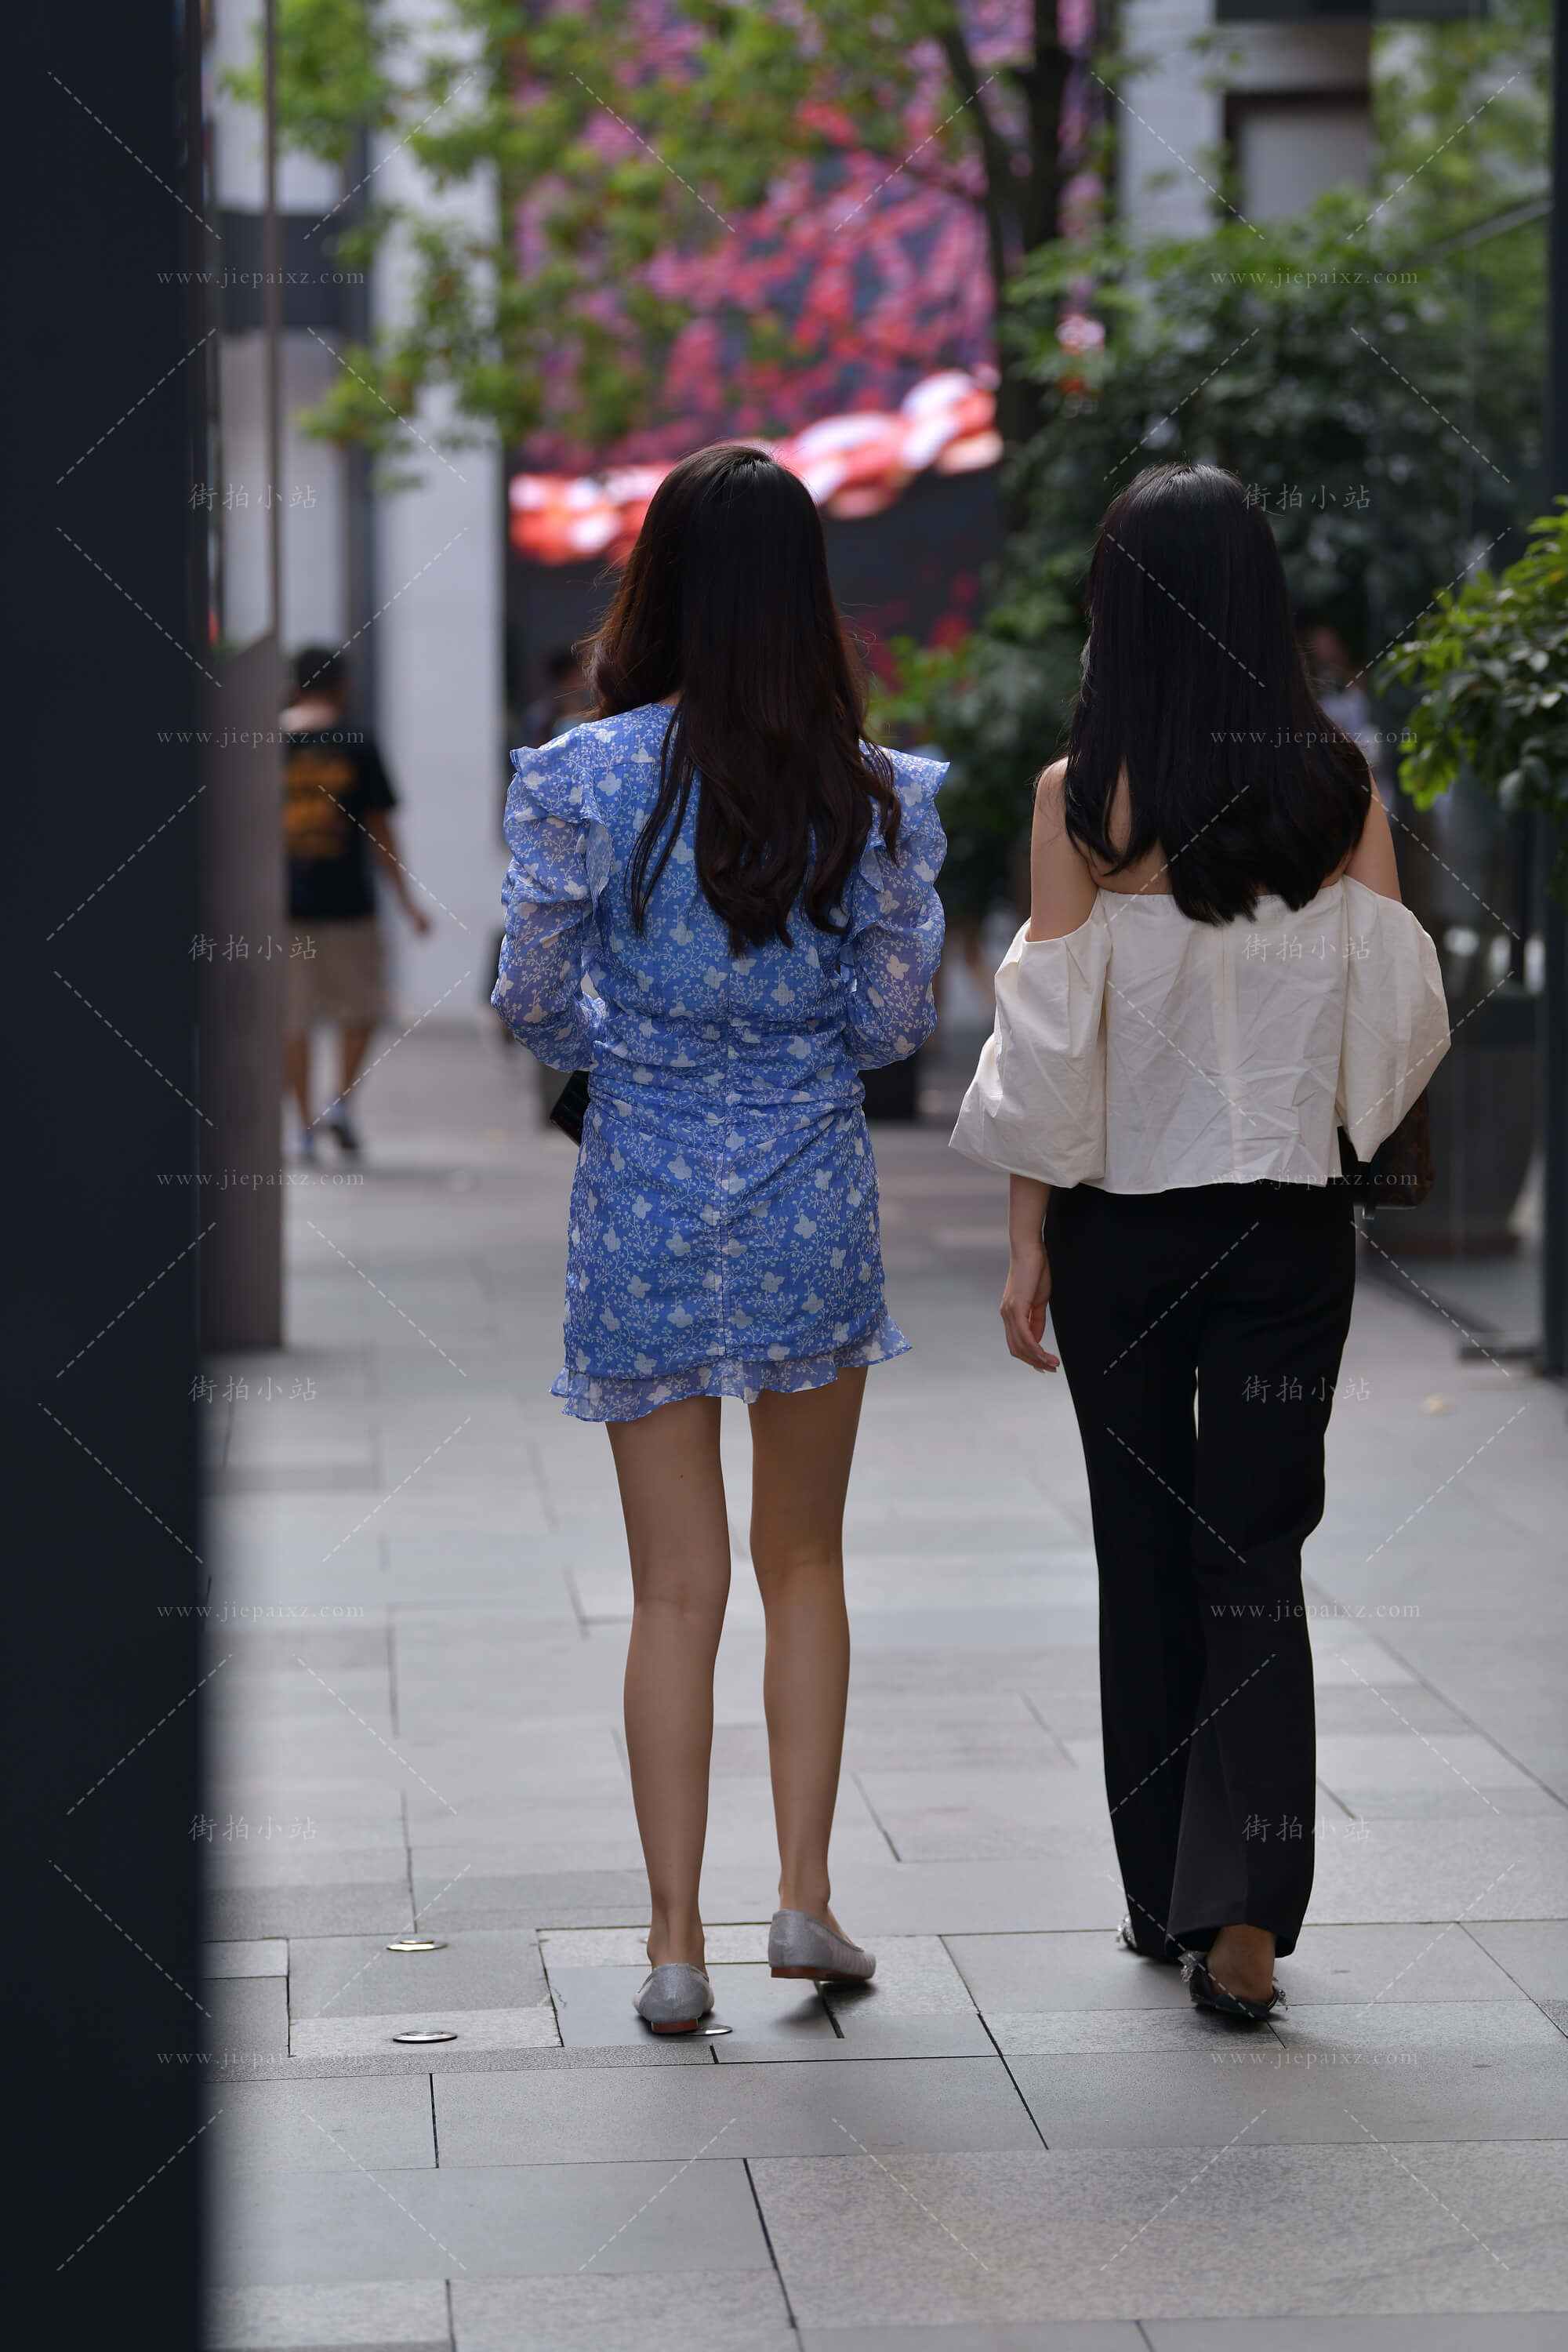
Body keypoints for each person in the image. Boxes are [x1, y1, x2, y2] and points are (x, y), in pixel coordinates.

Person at [952, 463, 1449, 2021]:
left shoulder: (1080, 802)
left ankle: (1161, 1880)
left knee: (1144, 1545)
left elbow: (1048, 1053)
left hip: (1120, 1233)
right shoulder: (1337, 793)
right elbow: (1397, 1023)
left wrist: (1027, 1241)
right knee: (1255, 1551)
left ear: (1119, 608)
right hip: (1287, 1229)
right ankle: (1240, 1913)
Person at [493, 444, 946, 2033]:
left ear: (660, 585)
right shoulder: (872, 793)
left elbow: (531, 996)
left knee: (671, 1590)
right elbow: (893, 1022)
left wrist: (632, 1047)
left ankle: (674, 1944)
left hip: (641, 1190)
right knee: (804, 1560)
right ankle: (804, 1899)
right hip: (812, 1186)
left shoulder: (585, 777)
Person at [281, 648, 432, 1156]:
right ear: (341, 686)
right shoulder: (359, 743)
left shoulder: (265, 744)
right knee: (361, 1008)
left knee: (292, 1017)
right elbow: (380, 831)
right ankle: (340, 1104)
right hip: (350, 903)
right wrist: (407, 902)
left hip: (281, 908)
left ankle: (303, 1126)